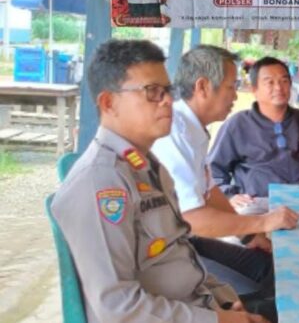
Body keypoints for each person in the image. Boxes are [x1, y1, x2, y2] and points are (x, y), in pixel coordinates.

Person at [51, 39, 266, 323]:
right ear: (108, 103)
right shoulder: (101, 183)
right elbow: (118, 308)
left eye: (168, 90)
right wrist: (218, 320)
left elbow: (179, 252)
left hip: (195, 304)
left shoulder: (149, 167)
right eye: (152, 92)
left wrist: (223, 298)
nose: (167, 101)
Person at [152, 45, 299, 321]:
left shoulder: (193, 128)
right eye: (231, 87)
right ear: (203, 86)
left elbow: (209, 191)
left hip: (189, 239)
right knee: (264, 297)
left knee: (274, 268)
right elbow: (194, 218)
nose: (235, 95)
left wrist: (249, 236)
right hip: (172, 250)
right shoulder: (174, 133)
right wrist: (263, 222)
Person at [209, 56, 299, 207]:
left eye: (284, 81)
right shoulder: (237, 125)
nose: (278, 87)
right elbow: (214, 169)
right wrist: (230, 195)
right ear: (254, 90)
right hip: (255, 203)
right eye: (269, 82)